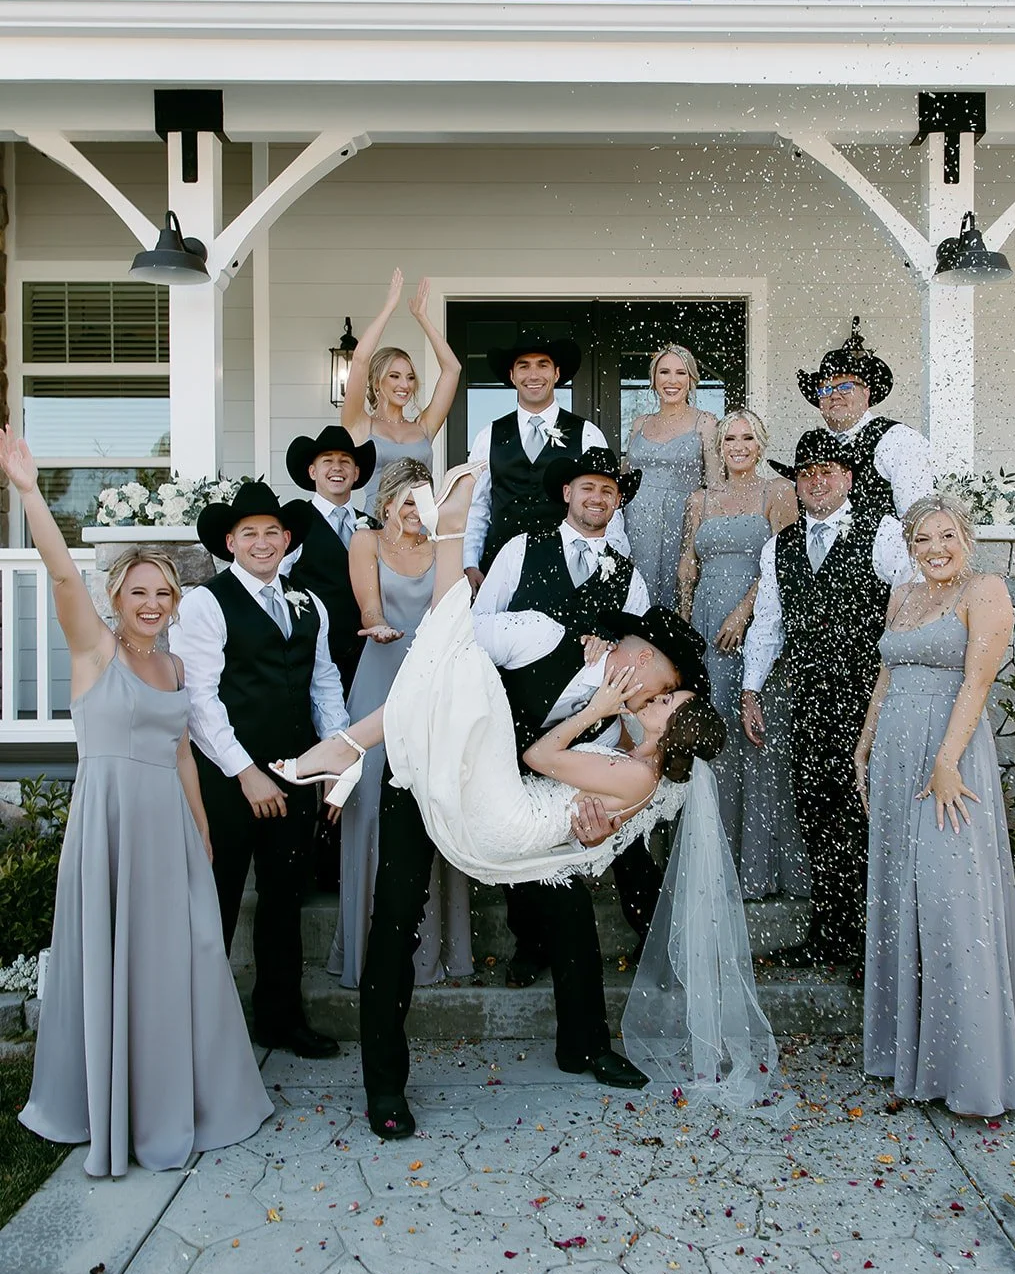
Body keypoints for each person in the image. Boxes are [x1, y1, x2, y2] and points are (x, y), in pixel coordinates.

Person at [274, 467, 727, 1139]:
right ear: (634, 652)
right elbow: (441, 653)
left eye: (658, 695)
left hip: (504, 799)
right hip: (425, 767)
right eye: (655, 682)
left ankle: (585, 1044)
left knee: (569, 902)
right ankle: (384, 1087)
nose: (645, 699)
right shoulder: (535, 632)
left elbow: (581, 774)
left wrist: (592, 817)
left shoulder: (610, 721)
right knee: (396, 914)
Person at [1, 430, 272, 1177]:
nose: (152, 604)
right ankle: (109, 1104)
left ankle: (184, 1097)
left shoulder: (176, 663)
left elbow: (183, 749)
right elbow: (60, 578)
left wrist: (204, 833)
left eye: (163, 594)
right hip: (111, 825)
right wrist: (29, 491)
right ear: (116, 599)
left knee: (185, 960)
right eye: (139, 593)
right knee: (114, 961)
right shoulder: (95, 650)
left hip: (173, 828)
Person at [855, 495, 1015, 1116]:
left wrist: (945, 763)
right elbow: (885, 677)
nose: (934, 549)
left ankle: (972, 1071)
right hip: (893, 754)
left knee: (950, 897)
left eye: (945, 536)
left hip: (951, 753)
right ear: (909, 547)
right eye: (921, 540)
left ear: (965, 537)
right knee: (900, 896)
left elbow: (978, 680)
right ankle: (909, 1055)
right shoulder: (903, 594)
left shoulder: (985, 589)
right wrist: (863, 746)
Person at [169, 481, 349, 1059]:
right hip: (228, 780)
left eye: (273, 531)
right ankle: (200, 1032)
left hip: (295, 776)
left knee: (282, 902)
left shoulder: (308, 603)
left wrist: (336, 759)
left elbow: (324, 685)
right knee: (217, 901)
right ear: (230, 542)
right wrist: (246, 772)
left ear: (288, 538)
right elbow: (200, 700)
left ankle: (279, 1018)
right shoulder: (204, 603)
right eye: (250, 532)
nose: (263, 541)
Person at [472, 447, 657, 986]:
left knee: (626, 837)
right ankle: (531, 945)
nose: (598, 497)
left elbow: (640, 650)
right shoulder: (519, 550)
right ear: (567, 494)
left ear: (617, 500)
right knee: (525, 833)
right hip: (520, 720)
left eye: (608, 490)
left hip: (593, 728)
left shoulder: (628, 574)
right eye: (588, 487)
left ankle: (650, 934)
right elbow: (481, 627)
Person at [740, 430, 912, 967]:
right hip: (809, 697)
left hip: (870, 698)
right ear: (795, 483)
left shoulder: (883, 532)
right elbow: (768, 622)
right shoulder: (780, 545)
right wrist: (750, 689)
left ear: (850, 479)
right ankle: (831, 934)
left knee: (866, 814)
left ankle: (876, 948)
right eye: (806, 473)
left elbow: (910, 606)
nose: (817, 481)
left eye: (829, 471)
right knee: (817, 812)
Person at [330, 456, 473, 988]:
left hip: (434, 680)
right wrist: (378, 624)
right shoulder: (366, 541)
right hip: (381, 672)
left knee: (430, 800)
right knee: (368, 801)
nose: (417, 511)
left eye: (425, 500)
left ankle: (433, 948)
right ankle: (366, 948)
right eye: (408, 500)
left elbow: (451, 612)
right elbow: (368, 606)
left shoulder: (446, 546)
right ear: (387, 502)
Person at [677, 409, 806, 899]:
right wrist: (687, 633)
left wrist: (744, 612)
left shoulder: (778, 493)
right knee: (714, 737)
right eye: (729, 438)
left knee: (756, 738)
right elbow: (687, 568)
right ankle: (718, 863)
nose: (738, 445)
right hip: (708, 629)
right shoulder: (700, 500)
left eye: (748, 436)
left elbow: (784, 563)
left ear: (761, 442)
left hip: (756, 629)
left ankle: (760, 869)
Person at [462, 335, 628, 587]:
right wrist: (470, 562)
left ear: (557, 373)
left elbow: (607, 503)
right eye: (524, 366)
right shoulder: (488, 436)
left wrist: (612, 558)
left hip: (565, 568)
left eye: (543, 364)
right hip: (499, 568)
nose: (533, 375)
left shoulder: (587, 434)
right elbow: (477, 508)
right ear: (512, 375)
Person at [789, 318, 935, 520]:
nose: (835, 395)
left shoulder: (898, 440)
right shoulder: (813, 446)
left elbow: (917, 521)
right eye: (826, 389)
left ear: (866, 393)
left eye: (846, 386)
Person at [340, 270, 461, 496]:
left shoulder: (423, 426)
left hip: (420, 524)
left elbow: (452, 370)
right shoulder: (360, 424)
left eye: (410, 377)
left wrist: (422, 317)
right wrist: (389, 308)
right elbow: (359, 360)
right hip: (377, 526)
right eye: (394, 376)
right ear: (377, 383)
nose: (404, 384)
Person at [282, 424, 379, 695]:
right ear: (312, 471)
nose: (337, 468)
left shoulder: (374, 526)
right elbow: (276, 582)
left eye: (345, 462)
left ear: (356, 473)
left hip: (367, 655)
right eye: (328, 461)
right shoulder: (293, 524)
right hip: (315, 653)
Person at [623, 345, 717, 606]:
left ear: (692, 380)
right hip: (637, 523)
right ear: (653, 380)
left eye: (680, 373)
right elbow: (624, 480)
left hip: (683, 523)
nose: (672, 380)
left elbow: (715, 486)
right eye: (664, 372)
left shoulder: (705, 422)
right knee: (636, 596)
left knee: (678, 600)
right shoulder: (639, 423)